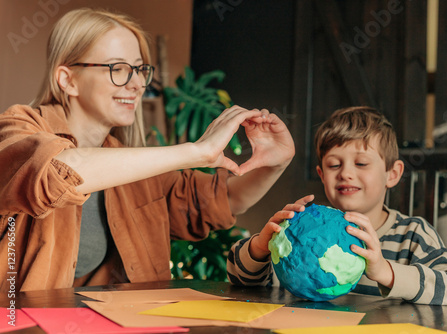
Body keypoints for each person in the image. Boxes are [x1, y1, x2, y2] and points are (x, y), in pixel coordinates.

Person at [0, 8, 294, 292]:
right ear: (68, 80)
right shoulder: (16, 129)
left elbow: (220, 199)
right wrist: (195, 151)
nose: (138, 84)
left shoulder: (132, 164)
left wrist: (273, 164)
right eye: (118, 69)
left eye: (140, 69)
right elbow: (57, 171)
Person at [227, 106, 447, 306]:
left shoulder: (412, 235)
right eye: (334, 165)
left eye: (361, 164)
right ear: (322, 175)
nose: (346, 173)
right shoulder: (301, 233)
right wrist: (261, 246)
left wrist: (386, 272)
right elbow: (238, 279)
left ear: (392, 173)